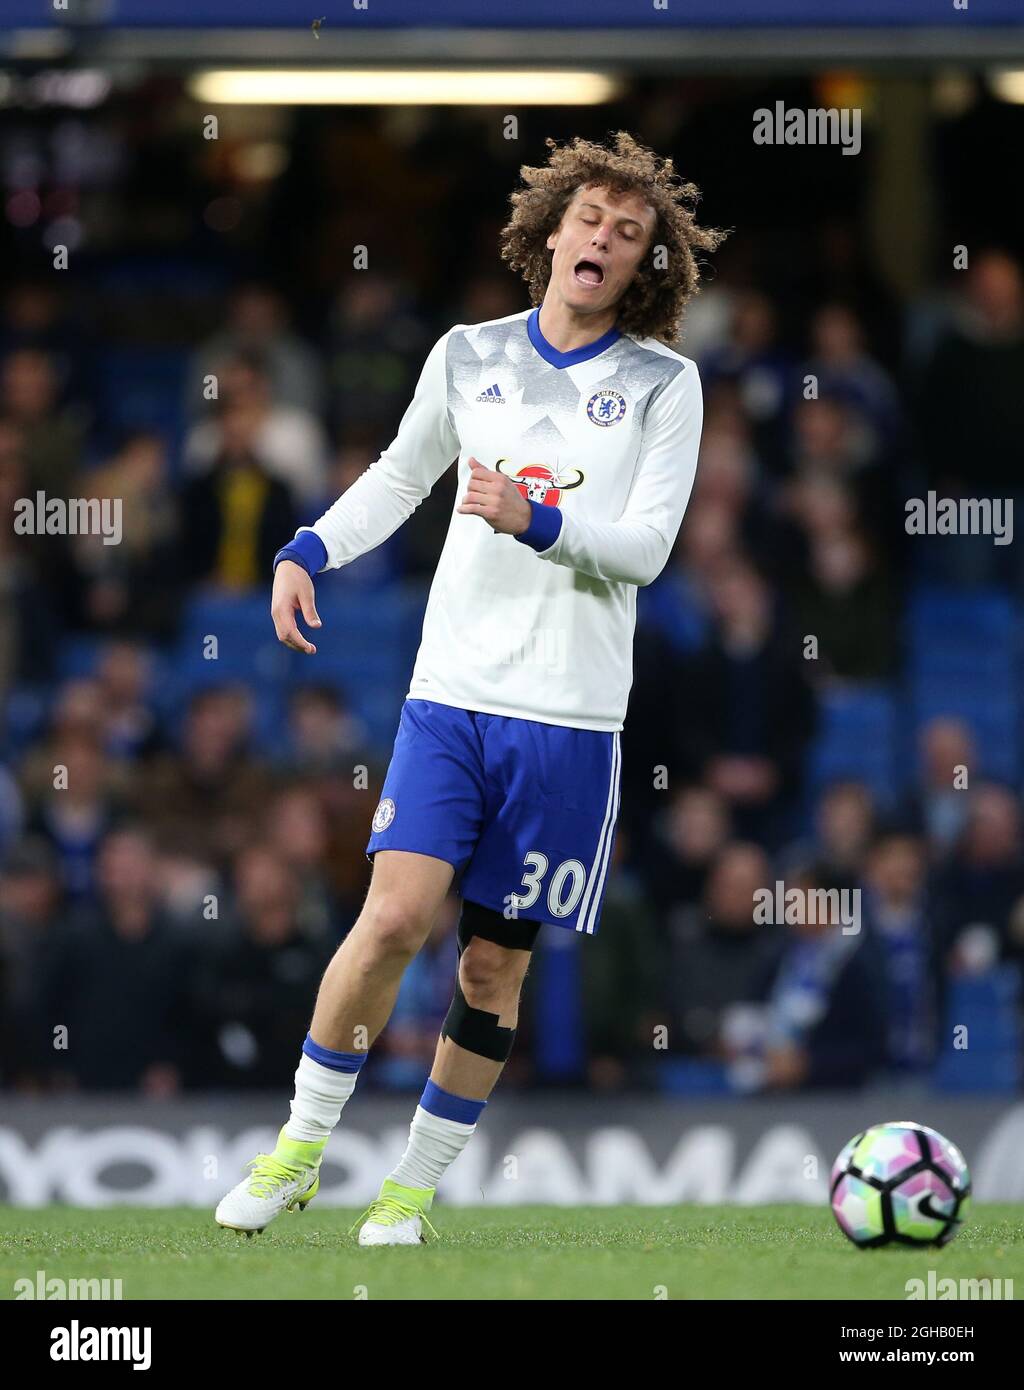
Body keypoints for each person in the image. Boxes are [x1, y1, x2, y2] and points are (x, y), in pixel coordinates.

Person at [214, 131, 724, 1244]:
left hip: (569, 716)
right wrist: (307, 548)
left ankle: (408, 1191)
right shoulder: (466, 352)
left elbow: (643, 548)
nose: (605, 238)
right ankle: (300, 1149)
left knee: (491, 961)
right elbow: (401, 475)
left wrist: (531, 518)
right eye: (590, 218)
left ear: (645, 269)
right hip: (452, 691)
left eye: (630, 234)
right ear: (550, 233)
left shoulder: (662, 385)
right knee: (394, 916)